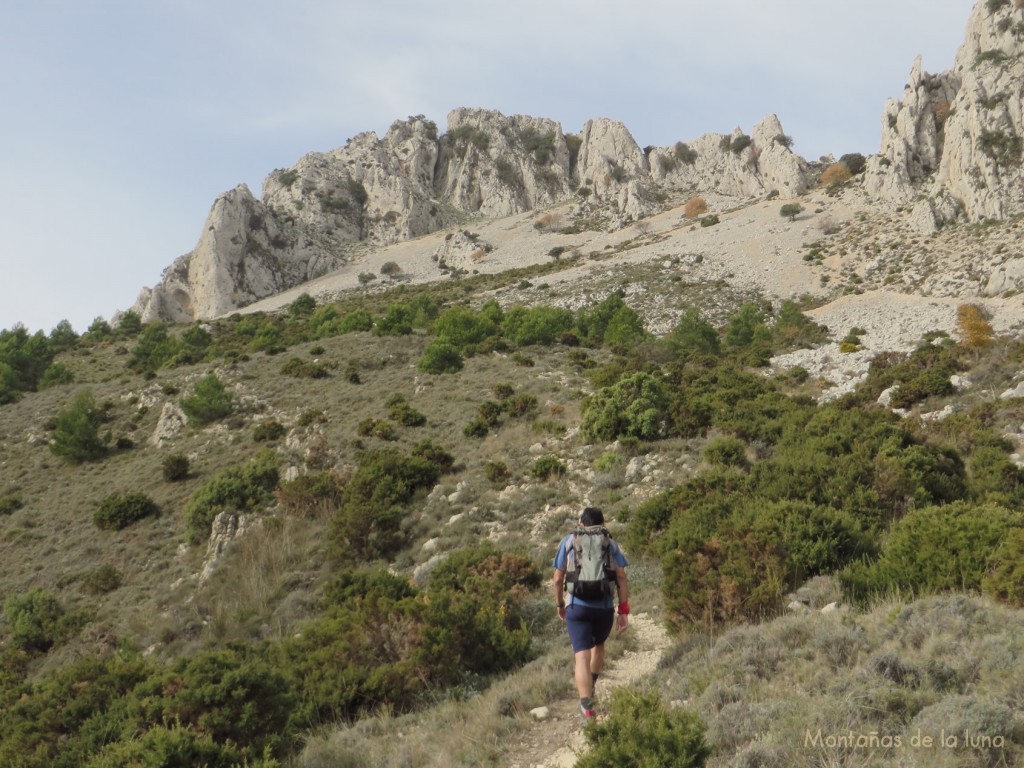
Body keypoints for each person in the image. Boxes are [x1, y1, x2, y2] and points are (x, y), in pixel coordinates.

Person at [552, 507, 629, 720]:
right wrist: (623, 610)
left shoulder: (569, 541)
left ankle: (587, 706)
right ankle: (591, 686)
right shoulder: (610, 543)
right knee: (599, 646)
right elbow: (621, 578)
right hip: (604, 607)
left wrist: (560, 604)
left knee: (581, 655)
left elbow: (558, 579)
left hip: (577, 606)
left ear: (580, 523)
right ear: (603, 524)